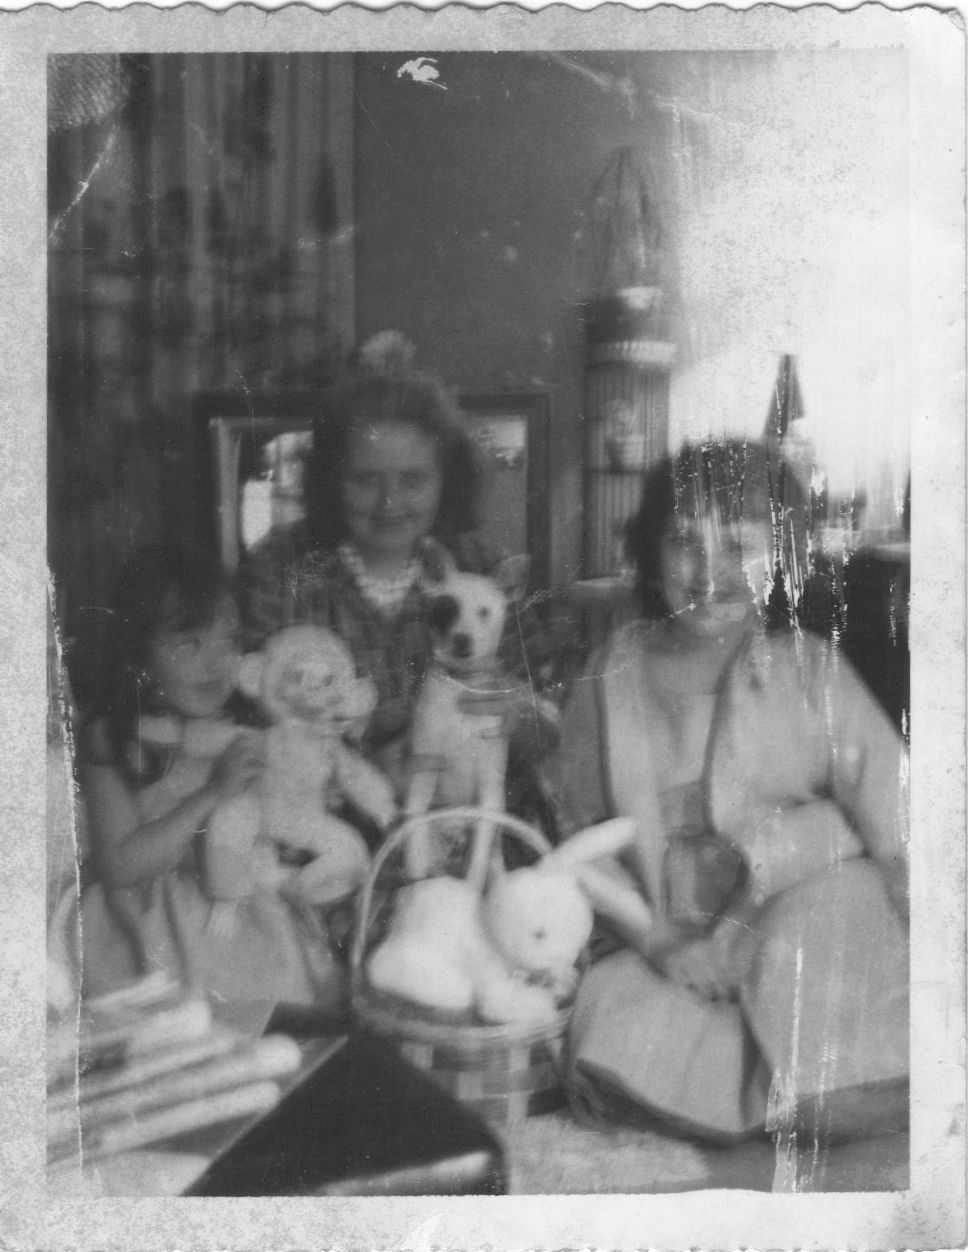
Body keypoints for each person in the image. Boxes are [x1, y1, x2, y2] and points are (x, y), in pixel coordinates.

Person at [558, 438, 909, 1151]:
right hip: (673, 940)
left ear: (782, 557)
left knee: (844, 909)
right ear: (649, 551)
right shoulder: (611, 672)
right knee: (609, 1018)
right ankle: (773, 1091)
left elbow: (895, 816)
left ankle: (837, 1079)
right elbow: (578, 837)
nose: (710, 571)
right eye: (684, 541)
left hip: (794, 918)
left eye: (740, 546)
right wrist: (659, 942)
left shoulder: (810, 668)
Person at [239, 363, 560, 807]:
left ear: (447, 479)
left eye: (413, 480)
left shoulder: (481, 567)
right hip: (322, 821)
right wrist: (366, 776)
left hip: (472, 819)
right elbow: (246, 732)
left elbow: (551, 720)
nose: (389, 503)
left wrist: (523, 718)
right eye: (365, 479)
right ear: (331, 480)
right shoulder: (279, 568)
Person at [76, 544, 342, 1013]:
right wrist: (212, 794)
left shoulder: (241, 728)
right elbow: (119, 865)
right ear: (137, 658)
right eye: (189, 644)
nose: (216, 663)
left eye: (228, 642)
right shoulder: (113, 738)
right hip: (150, 924)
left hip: (240, 905)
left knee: (284, 1010)